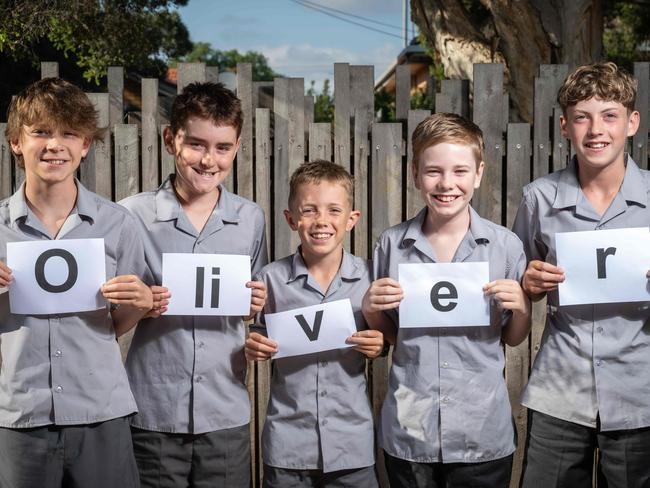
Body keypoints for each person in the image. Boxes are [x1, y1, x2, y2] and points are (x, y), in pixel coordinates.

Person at [363, 113, 531, 488]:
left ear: (478, 173)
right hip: (410, 432)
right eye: (433, 171)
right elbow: (392, 336)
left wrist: (521, 305)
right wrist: (372, 309)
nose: (446, 184)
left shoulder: (505, 246)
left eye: (459, 171)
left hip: (482, 432)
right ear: (415, 174)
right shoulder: (391, 244)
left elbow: (514, 337)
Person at [0, 77, 152, 488]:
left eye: (70, 133)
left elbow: (116, 322)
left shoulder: (118, 225)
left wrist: (140, 303)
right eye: (41, 132)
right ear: (16, 141)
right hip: (19, 417)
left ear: (85, 145)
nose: (55, 145)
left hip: (101, 411)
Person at [120, 81, 267, 488]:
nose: (208, 160)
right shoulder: (130, 216)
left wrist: (256, 304)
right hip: (152, 412)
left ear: (237, 148)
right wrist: (139, 303)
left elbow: (255, 311)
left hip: (225, 412)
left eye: (223, 148)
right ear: (171, 140)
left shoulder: (251, 219)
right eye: (197, 145)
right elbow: (107, 316)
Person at [513, 61, 650, 487]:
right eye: (582, 117)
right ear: (564, 126)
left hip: (639, 392)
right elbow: (516, 283)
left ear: (632, 123)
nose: (596, 129)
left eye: (609, 115)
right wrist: (528, 284)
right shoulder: (538, 199)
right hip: (560, 391)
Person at [245, 160, 384, 488]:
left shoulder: (371, 278)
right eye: (309, 210)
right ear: (291, 219)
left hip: (353, 445)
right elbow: (258, 333)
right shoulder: (270, 279)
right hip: (288, 445)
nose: (322, 221)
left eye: (334, 210)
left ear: (352, 220)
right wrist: (254, 343)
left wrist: (381, 345)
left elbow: (385, 336)